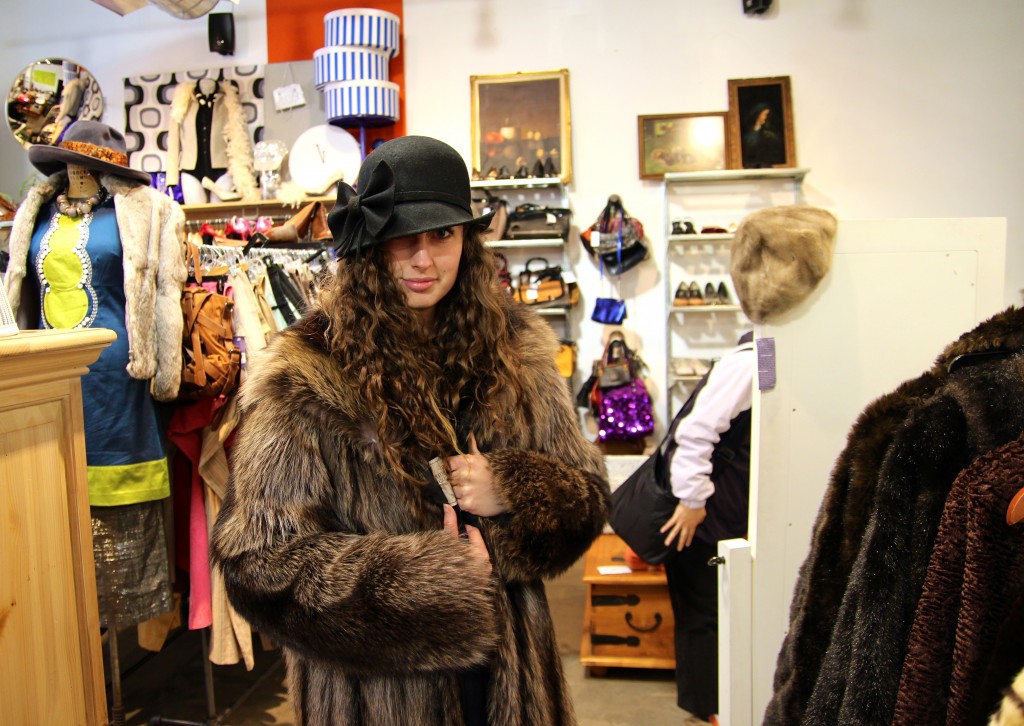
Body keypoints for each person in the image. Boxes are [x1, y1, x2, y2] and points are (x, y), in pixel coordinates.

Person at [210, 135, 610, 726]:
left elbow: (589, 498)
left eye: (443, 235)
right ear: (370, 244)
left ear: (467, 243)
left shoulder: (515, 353)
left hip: (510, 679)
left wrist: (514, 488)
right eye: (404, 238)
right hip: (377, 696)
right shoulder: (307, 376)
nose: (424, 260)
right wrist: (432, 583)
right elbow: (260, 565)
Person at [4, 119, 185, 629]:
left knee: (116, 522)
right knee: (48, 513)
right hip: (45, 381)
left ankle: (115, 647)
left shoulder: (148, 212)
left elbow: (166, 299)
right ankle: (61, 630)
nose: (79, 171)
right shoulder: (35, 212)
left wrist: (164, 372)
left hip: (118, 381)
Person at [659, 330, 755, 726]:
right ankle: (709, 709)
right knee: (703, 612)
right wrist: (692, 500)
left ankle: (718, 703)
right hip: (702, 514)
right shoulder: (748, 363)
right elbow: (695, 433)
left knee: (717, 610)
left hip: (723, 512)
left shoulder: (755, 361)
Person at [741, 102, 785, 168]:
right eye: (765, 114)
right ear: (758, 115)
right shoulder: (746, 136)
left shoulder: (770, 135)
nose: (766, 117)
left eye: (767, 115)